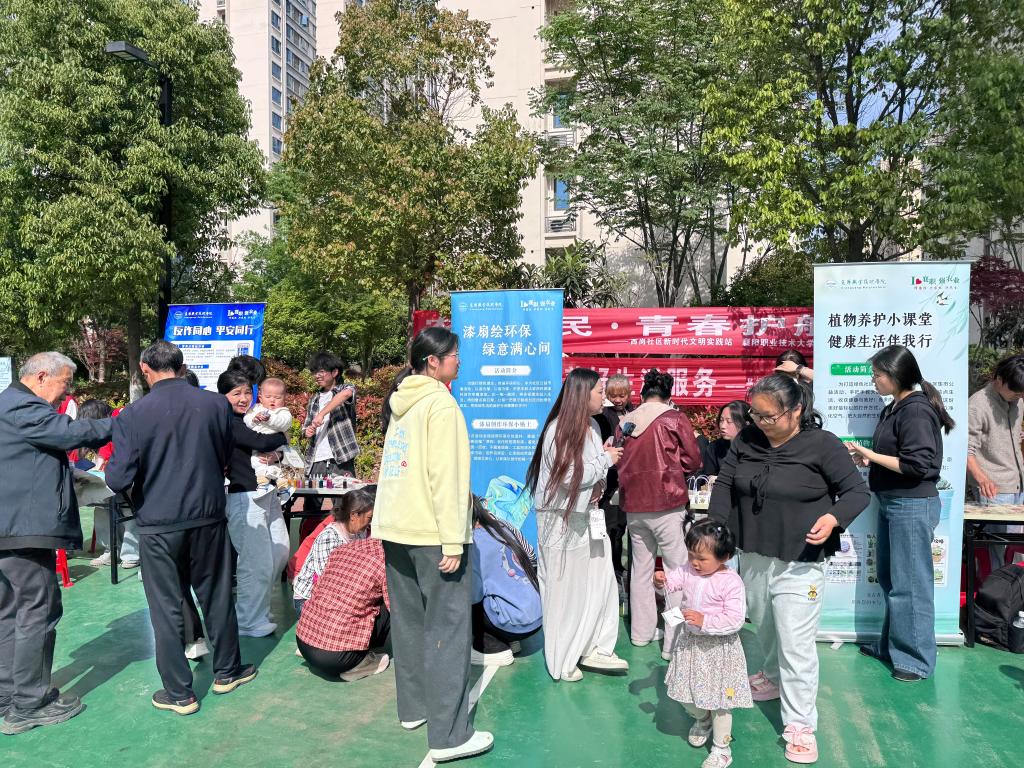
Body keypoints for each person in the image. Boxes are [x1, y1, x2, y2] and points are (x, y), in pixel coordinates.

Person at [708, 373, 868, 764]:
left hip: (802, 561)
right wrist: (714, 533)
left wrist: (833, 518)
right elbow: (725, 485)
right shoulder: (747, 439)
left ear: (796, 410)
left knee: (796, 643)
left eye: (769, 416)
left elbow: (856, 492)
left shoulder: (823, 445)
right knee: (764, 626)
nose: (760, 423)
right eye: (755, 414)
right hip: (754, 553)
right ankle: (772, 676)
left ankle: (800, 724)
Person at [105, 342, 257, 716]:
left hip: (158, 524)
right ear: (182, 366)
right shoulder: (215, 405)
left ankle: (179, 693)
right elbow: (225, 455)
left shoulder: (132, 415)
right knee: (217, 595)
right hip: (208, 517)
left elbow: (118, 477)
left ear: (145, 369)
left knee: (166, 607)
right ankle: (227, 672)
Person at [372, 328, 493, 763]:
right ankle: (450, 736)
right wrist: (453, 540)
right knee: (448, 631)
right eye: (454, 355)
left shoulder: (401, 401)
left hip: (396, 529)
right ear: (433, 362)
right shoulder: (441, 404)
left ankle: (414, 708)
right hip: (431, 534)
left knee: (409, 624)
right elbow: (448, 477)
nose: (459, 360)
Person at [0, 352, 112, 734]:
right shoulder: (23, 405)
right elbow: (69, 433)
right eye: (65, 382)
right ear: (42, 377)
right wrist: (122, 423)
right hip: (23, 529)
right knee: (38, 608)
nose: (68, 391)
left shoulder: (7, 404)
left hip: (9, 527)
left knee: (10, 611)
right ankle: (29, 704)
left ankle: (8, 696)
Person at [848, 345, 954, 682]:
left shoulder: (916, 411)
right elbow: (899, 457)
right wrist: (870, 459)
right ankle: (892, 646)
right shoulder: (895, 408)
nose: (874, 380)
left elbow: (917, 465)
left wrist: (869, 455)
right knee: (892, 579)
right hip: (893, 501)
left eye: (878, 374)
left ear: (896, 375)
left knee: (910, 584)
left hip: (911, 504)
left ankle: (914, 660)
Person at [525, 368, 627, 683]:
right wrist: (605, 460)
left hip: (588, 517)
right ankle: (562, 658)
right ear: (583, 394)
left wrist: (603, 459)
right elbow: (569, 476)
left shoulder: (592, 427)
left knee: (600, 583)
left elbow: (589, 471)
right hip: (561, 521)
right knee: (564, 590)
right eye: (599, 391)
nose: (604, 397)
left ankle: (594, 646)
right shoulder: (560, 430)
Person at [615, 369, 703, 658]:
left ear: (643, 393)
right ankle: (672, 643)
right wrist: (675, 472)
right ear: (668, 395)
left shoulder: (626, 422)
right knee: (677, 572)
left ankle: (641, 634)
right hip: (667, 504)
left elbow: (617, 459)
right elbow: (693, 460)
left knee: (640, 570)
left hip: (634, 506)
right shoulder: (674, 418)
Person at [664, 520, 752, 768]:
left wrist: (705, 621)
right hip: (691, 645)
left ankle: (722, 749)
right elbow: (675, 580)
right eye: (691, 555)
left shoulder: (731, 582)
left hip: (719, 651)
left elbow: (735, 619)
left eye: (702, 558)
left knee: (721, 703)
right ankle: (702, 718)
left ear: (724, 557)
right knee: (684, 693)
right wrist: (663, 581)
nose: (694, 562)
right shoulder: (689, 570)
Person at [218, 369, 290, 637]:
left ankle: (258, 608)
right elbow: (262, 441)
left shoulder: (252, 417)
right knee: (254, 561)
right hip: (243, 496)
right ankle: (248, 620)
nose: (243, 398)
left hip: (266, 492)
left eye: (248, 392)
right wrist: (282, 438)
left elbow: (273, 444)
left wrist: (278, 451)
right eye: (236, 393)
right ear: (223, 396)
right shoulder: (229, 421)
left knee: (280, 550)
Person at [295, 536, 392, 682]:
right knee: (394, 605)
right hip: (338, 658)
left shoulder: (343, 548)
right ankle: (361, 664)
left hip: (303, 641)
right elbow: (397, 610)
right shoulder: (386, 561)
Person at [470, 497, 542, 667]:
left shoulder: (473, 542)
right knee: (499, 585)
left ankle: (491, 647)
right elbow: (531, 558)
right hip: (537, 616)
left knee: (466, 593)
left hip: (511, 622)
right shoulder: (503, 526)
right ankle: (509, 638)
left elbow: (473, 595)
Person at [301, 353, 360, 539]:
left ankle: (346, 548)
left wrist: (322, 414)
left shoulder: (346, 388)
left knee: (345, 507)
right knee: (310, 510)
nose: (317, 376)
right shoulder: (314, 399)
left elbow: (345, 395)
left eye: (321, 372)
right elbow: (306, 426)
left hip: (340, 458)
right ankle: (306, 548)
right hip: (315, 460)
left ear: (335, 372)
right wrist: (307, 431)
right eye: (314, 372)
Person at [292, 488, 375, 616]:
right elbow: (328, 581)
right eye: (369, 518)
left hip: (338, 592)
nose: (370, 523)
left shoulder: (359, 532)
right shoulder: (329, 538)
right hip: (309, 599)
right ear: (353, 515)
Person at [78, 399, 139, 569]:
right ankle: (111, 550)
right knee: (101, 505)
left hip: (130, 475)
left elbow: (109, 451)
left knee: (127, 508)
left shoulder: (120, 415)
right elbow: (101, 457)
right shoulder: (108, 425)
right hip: (113, 475)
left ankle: (131, 554)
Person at [967, 353, 1024, 508]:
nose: (1020, 396)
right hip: (993, 490)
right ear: (999, 379)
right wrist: (982, 479)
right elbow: (965, 450)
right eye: (1016, 391)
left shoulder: (1018, 401)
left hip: (1018, 485)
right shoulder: (977, 405)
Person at [594, 374, 634, 594]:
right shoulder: (602, 416)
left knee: (623, 527)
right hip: (608, 480)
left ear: (629, 394)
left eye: (622, 395)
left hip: (629, 479)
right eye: (613, 395)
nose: (618, 400)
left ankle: (619, 567)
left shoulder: (636, 412)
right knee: (609, 527)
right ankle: (610, 568)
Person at [243, 377, 294, 500]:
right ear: (260, 397)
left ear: (284, 398)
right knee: (257, 462)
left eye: (277, 397)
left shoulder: (283, 412)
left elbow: (284, 424)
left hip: (278, 447)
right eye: (268, 397)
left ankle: (284, 489)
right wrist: (254, 419)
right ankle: (263, 485)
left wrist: (269, 418)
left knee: (280, 468)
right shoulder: (255, 409)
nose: (272, 400)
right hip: (258, 448)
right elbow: (246, 420)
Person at [699, 400, 751, 479]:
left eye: (729, 421)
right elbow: (708, 476)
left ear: (746, 423)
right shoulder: (714, 448)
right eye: (721, 420)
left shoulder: (759, 448)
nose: (723, 426)